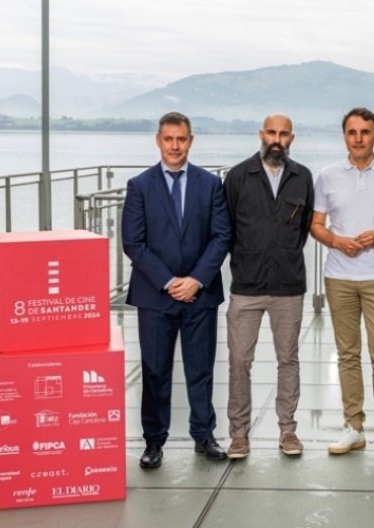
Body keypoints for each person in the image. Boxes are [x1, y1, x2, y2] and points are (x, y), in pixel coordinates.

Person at [122, 111, 231, 469]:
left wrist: (196, 280)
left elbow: (221, 236)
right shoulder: (139, 186)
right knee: (155, 370)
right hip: (155, 296)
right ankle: (154, 441)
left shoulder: (210, 184)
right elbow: (133, 243)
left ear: (190, 141)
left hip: (200, 294)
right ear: (158, 140)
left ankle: (204, 435)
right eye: (168, 139)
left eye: (181, 139)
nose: (174, 146)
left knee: (200, 369)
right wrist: (170, 282)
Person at [310, 107, 374, 460]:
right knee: (347, 356)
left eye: (365, 132)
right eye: (352, 132)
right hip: (339, 276)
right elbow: (317, 224)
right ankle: (353, 426)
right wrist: (337, 242)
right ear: (344, 137)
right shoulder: (326, 176)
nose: (358, 139)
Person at [223, 114, 314, 459]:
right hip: (246, 285)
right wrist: (249, 257)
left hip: (288, 286)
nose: (277, 139)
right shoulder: (237, 177)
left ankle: (288, 430)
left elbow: (303, 228)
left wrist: (283, 255)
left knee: (288, 359)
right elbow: (227, 228)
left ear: (292, 137)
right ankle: (238, 435)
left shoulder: (302, 177)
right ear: (261, 134)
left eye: (284, 134)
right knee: (239, 360)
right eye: (271, 133)